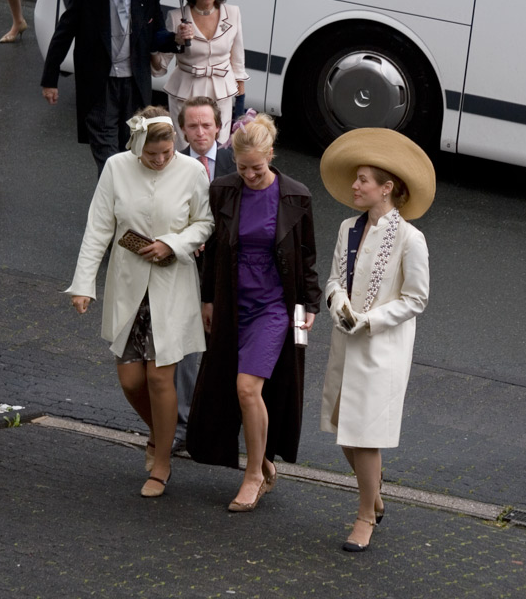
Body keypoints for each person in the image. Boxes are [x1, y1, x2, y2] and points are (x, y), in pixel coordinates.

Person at [67, 105, 213, 497]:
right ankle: (160, 435)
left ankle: (161, 464)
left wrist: (173, 243)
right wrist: (83, 284)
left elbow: (205, 222)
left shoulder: (192, 172)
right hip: (129, 286)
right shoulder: (116, 168)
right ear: (137, 147)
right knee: (132, 380)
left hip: (172, 286)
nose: (161, 160)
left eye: (166, 153)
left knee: (160, 377)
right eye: (152, 155)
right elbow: (98, 226)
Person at [186, 113, 321, 512]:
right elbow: (212, 250)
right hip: (231, 302)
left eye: (257, 168)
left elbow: (307, 256)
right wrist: (208, 298)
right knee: (232, 389)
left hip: (274, 307)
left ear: (272, 155)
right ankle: (261, 461)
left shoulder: (296, 195)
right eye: (242, 168)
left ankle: (254, 474)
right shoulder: (223, 190)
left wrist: (309, 305)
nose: (249, 175)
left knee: (249, 388)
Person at [319, 128, 434, 552]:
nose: (355, 186)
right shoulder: (348, 228)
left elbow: (416, 298)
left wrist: (368, 321)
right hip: (344, 342)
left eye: (363, 179)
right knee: (346, 432)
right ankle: (375, 495)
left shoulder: (410, 238)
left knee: (364, 435)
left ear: (387, 189)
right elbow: (333, 280)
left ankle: (366, 514)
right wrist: (338, 305)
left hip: (382, 349)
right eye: (356, 179)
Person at [40, 0, 180, 175]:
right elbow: (62, 37)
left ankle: (121, 205)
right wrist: (50, 80)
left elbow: (156, 37)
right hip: (99, 85)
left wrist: (177, 38)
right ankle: (112, 203)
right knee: (108, 159)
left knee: (132, 149)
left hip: (134, 85)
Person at [171, 95, 235, 452]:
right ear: (182, 130)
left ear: (218, 127)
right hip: (185, 269)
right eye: (192, 126)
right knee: (186, 348)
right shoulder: (172, 164)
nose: (200, 132)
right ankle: (184, 427)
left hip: (227, 270)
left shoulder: (234, 164)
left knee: (223, 347)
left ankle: (220, 425)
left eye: (206, 125)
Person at [160, 0, 248, 148]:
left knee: (220, 150)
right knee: (185, 152)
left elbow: (238, 63)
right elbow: (160, 64)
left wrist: (240, 107)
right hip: (185, 93)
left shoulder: (233, 14)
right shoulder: (177, 17)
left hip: (221, 93)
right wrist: (174, 39)